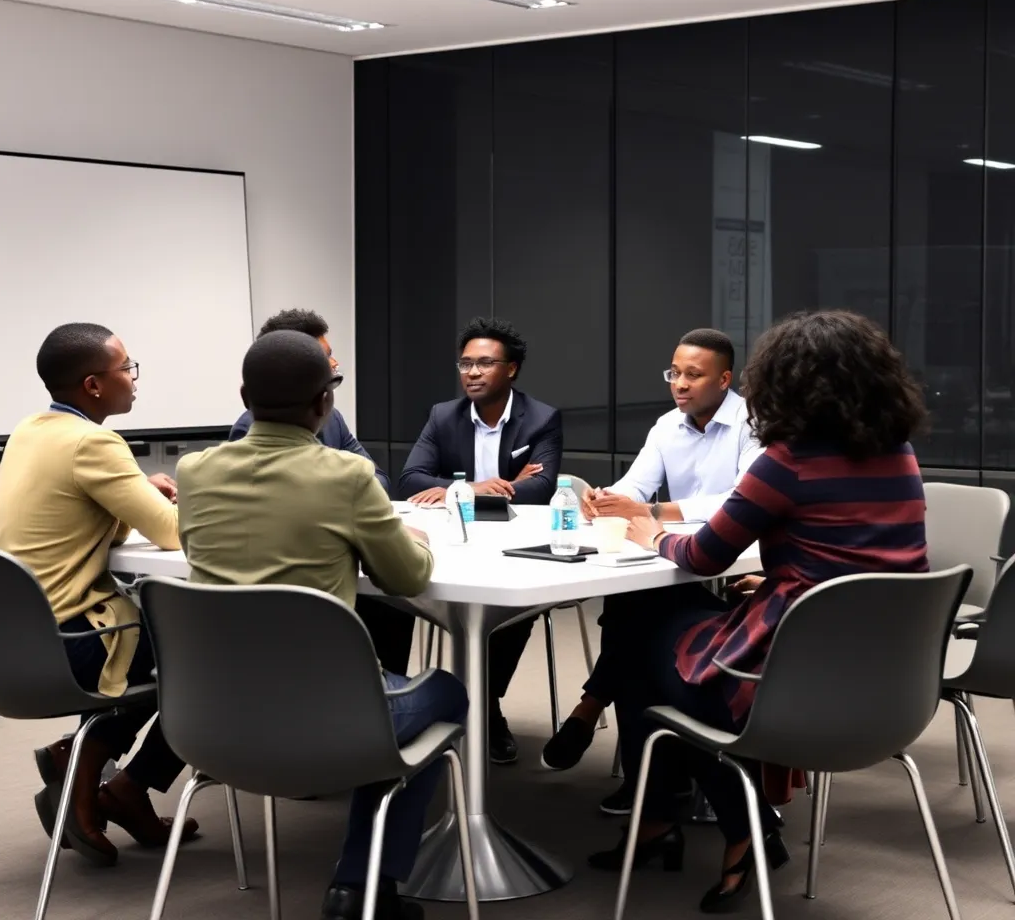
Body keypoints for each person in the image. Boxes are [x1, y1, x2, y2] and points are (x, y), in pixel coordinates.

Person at [589, 310, 929, 914]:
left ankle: (734, 823)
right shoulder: (899, 454)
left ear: (785, 381)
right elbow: (857, 553)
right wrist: (785, 579)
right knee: (653, 630)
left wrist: (645, 530)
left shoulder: (786, 459)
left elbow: (700, 554)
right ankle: (671, 818)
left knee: (642, 635)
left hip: (792, 672)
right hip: (884, 676)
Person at [177, 330, 467, 920]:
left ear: (243, 395)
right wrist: (405, 536)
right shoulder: (346, 477)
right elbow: (408, 579)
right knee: (446, 694)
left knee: (385, 695)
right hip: (325, 717)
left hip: (211, 714)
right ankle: (361, 888)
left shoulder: (194, 472)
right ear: (324, 404)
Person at [0, 323, 196, 867]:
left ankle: (96, 770)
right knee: (203, 649)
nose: (133, 377)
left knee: (155, 640)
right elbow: (173, 533)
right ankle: (105, 776)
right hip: (70, 643)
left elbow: (87, 519)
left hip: (13, 648)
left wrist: (128, 494)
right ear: (93, 386)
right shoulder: (95, 442)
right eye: (126, 368)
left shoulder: (31, 430)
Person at [542, 329, 762, 814]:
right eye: (674, 373)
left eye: (693, 375)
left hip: (733, 561)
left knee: (635, 617)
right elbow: (636, 486)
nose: (679, 384)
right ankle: (651, 780)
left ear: (724, 379)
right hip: (676, 555)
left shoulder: (752, 424)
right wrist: (607, 500)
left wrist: (659, 514)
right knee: (635, 609)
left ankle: (597, 712)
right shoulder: (667, 426)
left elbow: (740, 501)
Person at [398, 317, 562, 764]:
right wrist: (488, 484)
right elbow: (411, 478)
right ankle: (399, 711)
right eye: (465, 363)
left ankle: (485, 705)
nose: (472, 372)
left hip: (515, 543)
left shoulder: (542, 418)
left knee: (517, 607)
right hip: (453, 541)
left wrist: (459, 487)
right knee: (396, 596)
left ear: (511, 369)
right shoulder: (442, 415)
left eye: (485, 363)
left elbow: (542, 489)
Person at [229, 309, 413, 675]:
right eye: (326, 357)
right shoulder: (245, 433)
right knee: (452, 691)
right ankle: (378, 713)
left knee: (391, 608)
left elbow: (378, 479)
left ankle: (382, 696)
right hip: (290, 621)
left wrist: (339, 491)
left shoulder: (334, 421)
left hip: (235, 667)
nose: (335, 363)